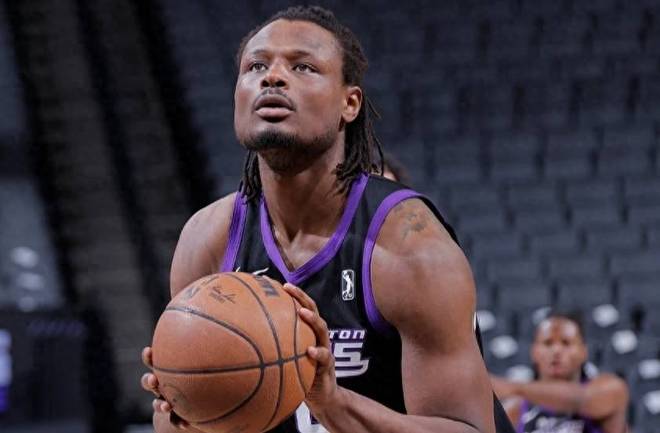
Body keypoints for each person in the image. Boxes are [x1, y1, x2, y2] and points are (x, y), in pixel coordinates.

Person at [141, 6, 515, 433]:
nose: (273, 77)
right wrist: (189, 411)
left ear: (349, 103)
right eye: (256, 66)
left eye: (302, 66)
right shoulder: (207, 239)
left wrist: (333, 403)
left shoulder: (410, 248)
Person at [490, 312, 629, 433]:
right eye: (548, 343)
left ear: (583, 351)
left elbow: (581, 399)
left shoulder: (610, 390)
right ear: (534, 352)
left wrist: (515, 388)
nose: (556, 350)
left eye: (566, 343)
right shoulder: (515, 410)